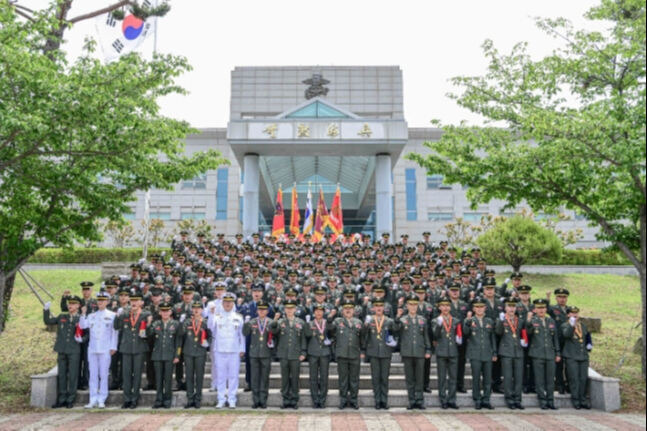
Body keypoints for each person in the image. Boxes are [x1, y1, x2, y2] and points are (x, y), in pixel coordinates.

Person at [79, 291, 118, 409]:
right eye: (99, 300)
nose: (100, 302)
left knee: (104, 374)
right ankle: (93, 399)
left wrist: (113, 347)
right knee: (93, 375)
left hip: (105, 348)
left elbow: (114, 332)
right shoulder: (91, 316)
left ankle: (102, 399)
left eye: (103, 300)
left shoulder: (112, 315)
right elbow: (82, 326)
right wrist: (83, 314)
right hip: (93, 348)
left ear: (107, 302)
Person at [43, 295, 84, 408]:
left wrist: (81, 340)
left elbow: (87, 334)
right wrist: (46, 310)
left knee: (72, 375)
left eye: (73, 304)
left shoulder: (81, 318)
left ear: (78, 306)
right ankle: (61, 398)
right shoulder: (62, 316)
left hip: (74, 349)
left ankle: (70, 398)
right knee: (61, 375)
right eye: (69, 303)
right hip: (62, 349)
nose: (70, 305)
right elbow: (48, 321)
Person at [113, 291, 152, 409]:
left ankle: (134, 399)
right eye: (132, 300)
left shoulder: (145, 315)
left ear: (141, 302)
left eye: (137, 301)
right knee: (126, 374)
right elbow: (116, 327)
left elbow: (148, 333)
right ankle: (126, 399)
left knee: (137, 375)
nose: (134, 303)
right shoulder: (125, 314)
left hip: (139, 348)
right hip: (126, 348)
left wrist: (149, 323)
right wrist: (116, 315)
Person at [362, 297, 398, 409]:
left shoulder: (389, 320)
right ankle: (377, 400)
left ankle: (384, 400)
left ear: (384, 308)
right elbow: (363, 335)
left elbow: (396, 332)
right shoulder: (370, 320)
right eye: (376, 306)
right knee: (375, 377)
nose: (378, 308)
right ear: (373, 308)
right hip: (373, 352)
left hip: (386, 352)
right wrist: (365, 325)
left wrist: (394, 342)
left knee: (384, 377)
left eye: (380, 306)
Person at [270, 298, 307, 409]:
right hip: (284, 354)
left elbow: (303, 339)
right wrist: (275, 320)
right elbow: (273, 332)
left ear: (295, 309)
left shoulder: (300, 322)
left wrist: (303, 352)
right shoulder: (280, 322)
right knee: (285, 378)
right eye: (287, 308)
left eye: (291, 308)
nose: (289, 310)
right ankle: (286, 400)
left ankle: (294, 400)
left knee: (295, 378)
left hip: (296, 354)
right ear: (284, 309)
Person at [210, 292, 245, 408]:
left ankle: (232, 399)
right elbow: (210, 327)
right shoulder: (216, 317)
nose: (227, 304)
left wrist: (242, 349)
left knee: (233, 376)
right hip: (220, 350)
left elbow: (241, 335)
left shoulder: (238, 318)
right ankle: (221, 399)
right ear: (222, 303)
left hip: (234, 350)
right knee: (221, 376)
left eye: (230, 302)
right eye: (225, 302)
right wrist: (211, 314)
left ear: (233, 303)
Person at [462, 296, 497, 410]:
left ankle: (486, 399)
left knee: (488, 378)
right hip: (475, 353)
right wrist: (466, 322)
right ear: (473, 308)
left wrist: (494, 352)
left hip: (487, 353)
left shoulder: (489, 321)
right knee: (476, 377)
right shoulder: (470, 320)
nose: (479, 309)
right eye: (477, 307)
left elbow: (492, 338)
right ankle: (477, 399)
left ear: (485, 308)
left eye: (481, 307)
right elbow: (465, 333)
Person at [526, 298, 560, 410]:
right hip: (537, 354)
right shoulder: (533, 320)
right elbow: (528, 334)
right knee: (539, 379)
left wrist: (557, 353)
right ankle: (542, 400)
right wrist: (528, 321)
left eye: (543, 308)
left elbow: (555, 338)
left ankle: (550, 400)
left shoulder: (551, 321)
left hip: (550, 353)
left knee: (550, 379)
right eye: (539, 308)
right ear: (535, 309)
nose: (541, 310)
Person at [331, 298, 364, 410]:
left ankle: (354, 400)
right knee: (343, 379)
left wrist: (363, 351)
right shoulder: (337, 321)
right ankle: (343, 400)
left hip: (355, 354)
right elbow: (329, 329)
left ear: (354, 310)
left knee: (354, 379)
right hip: (342, 354)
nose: (348, 310)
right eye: (346, 308)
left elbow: (362, 338)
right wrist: (330, 317)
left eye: (350, 308)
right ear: (342, 310)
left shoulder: (359, 322)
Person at [148, 301, 181, 409]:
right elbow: (148, 335)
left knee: (168, 379)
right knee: (158, 379)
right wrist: (148, 324)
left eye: (167, 311)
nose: (165, 313)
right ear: (160, 312)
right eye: (163, 311)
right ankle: (158, 399)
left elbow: (178, 342)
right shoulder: (156, 324)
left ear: (170, 312)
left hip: (170, 355)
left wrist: (177, 355)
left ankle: (167, 400)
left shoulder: (175, 324)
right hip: (157, 354)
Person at [243, 299, 274, 409]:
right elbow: (245, 333)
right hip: (254, 353)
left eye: (264, 310)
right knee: (255, 378)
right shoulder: (252, 322)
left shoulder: (271, 322)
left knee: (264, 378)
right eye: (260, 309)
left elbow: (275, 333)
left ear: (267, 311)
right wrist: (245, 323)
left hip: (266, 353)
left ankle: (263, 400)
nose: (261, 311)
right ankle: (256, 400)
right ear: (257, 311)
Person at [495, 297, 525, 410]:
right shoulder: (502, 320)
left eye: (513, 306)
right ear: (505, 308)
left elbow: (523, 333)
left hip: (518, 351)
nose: (511, 309)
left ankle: (518, 399)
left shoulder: (520, 320)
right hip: (506, 351)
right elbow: (498, 332)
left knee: (518, 377)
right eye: (509, 306)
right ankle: (509, 399)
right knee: (507, 377)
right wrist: (500, 321)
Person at [432, 296, 460, 410]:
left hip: (453, 351)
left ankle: (452, 399)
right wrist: (439, 325)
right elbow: (435, 335)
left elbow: (459, 335)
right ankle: (443, 399)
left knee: (453, 377)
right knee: (442, 377)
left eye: (447, 305)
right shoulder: (435, 320)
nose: (445, 308)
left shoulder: (456, 320)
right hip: (441, 351)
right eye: (443, 305)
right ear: (439, 307)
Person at [181, 301, 211, 409]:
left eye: (198, 308)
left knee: (199, 376)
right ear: (192, 310)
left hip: (200, 352)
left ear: (202, 310)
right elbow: (181, 335)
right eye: (194, 308)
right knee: (189, 376)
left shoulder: (206, 322)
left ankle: (198, 398)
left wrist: (207, 343)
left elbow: (210, 336)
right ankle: (190, 399)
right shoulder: (187, 322)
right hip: (188, 351)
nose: (196, 310)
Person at [561, 306, 592, 409]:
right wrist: (572, 324)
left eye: (576, 313)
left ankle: (583, 399)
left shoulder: (582, 325)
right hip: (571, 356)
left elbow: (587, 336)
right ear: (568, 315)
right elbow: (566, 335)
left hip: (583, 356)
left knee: (583, 378)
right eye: (572, 313)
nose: (575, 315)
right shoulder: (565, 325)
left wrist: (589, 344)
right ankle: (576, 400)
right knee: (574, 379)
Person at [304, 303, 334, 408]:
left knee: (324, 377)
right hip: (313, 352)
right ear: (313, 313)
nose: (318, 313)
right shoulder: (310, 323)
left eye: (321, 311)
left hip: (325, 352)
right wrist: (307, 325)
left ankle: (322, 400)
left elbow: (332, 334)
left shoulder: (327, 323)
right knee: (313, 377)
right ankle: (315, 399)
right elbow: (307, 335)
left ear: (323, 312)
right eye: (316, 311)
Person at [549, 287, 570, 394]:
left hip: (569, 341)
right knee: (559, 364)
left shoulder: (570, 310)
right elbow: (545, 308)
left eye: (564, 297)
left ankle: (569, 384)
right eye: (559, 297)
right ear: (556, 298)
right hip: (558, 340)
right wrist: (547, 298)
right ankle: (559, 385)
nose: (562, 299)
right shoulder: (554, 309)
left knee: (569, 364)